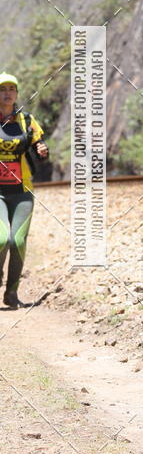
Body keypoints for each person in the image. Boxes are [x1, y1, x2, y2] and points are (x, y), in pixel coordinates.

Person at [0, 74, 49, 309]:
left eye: (12, 89)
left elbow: (39, 144)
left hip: (22, 190)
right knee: (1, 239)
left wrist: (41, 149)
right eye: (3, 89)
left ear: (17, 94)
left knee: (17, 241)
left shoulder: (26, 120)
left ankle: (11, 292)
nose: (7, 93)